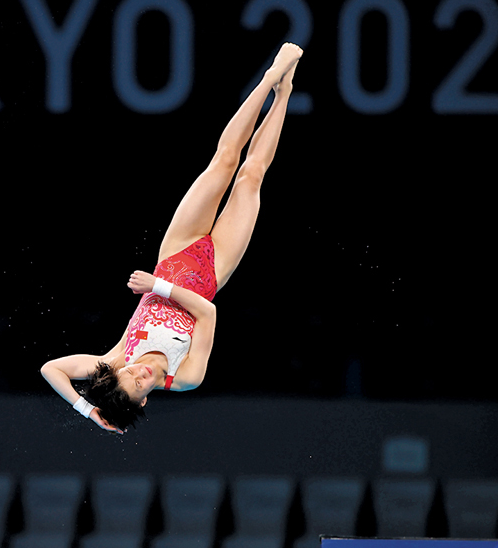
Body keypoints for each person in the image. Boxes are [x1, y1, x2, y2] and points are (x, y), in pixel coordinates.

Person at [41, 43, 303, 434]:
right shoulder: (186, 377)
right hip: (212, 271)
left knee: (224, 160)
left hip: (177, 252)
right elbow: (207, 314)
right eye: (140, 385)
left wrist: (88, 411)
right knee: (250, 177)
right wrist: (158, 287)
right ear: (145, 399)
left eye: (130, 375)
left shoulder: (116, 358)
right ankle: (284, 93)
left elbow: (51, 369)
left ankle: (268, 78)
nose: (139, 374)